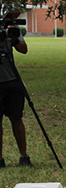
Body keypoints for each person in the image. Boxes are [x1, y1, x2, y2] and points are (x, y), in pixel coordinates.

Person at [0, 26, 30, 168]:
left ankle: (24, 156)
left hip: (12, 80)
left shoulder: (10, 25)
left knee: (17, 118)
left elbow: (23, 49)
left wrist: (14, 38)